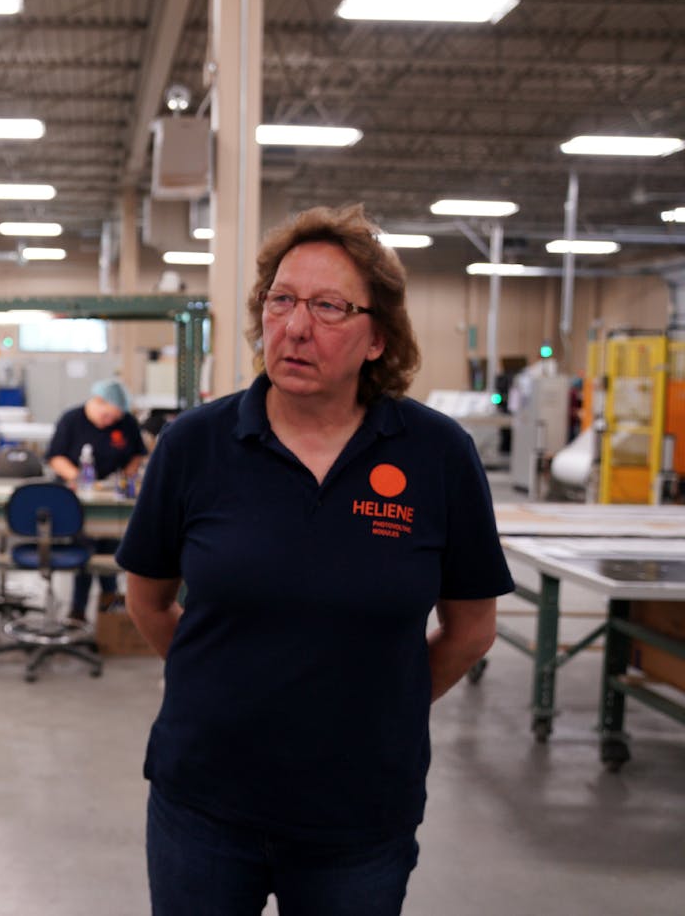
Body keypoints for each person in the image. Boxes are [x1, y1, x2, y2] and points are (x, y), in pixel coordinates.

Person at [116, 204, 511, 916]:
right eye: (282, 301)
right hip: (205, 803)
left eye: (329, 307)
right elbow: (146, 601)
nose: (296, 328)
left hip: (359, 816)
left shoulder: (437, 455)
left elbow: (471, 630)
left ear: (377, 339)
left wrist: (376, 707)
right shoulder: (194, 446)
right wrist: (221, 686)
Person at [45, 378, 147, 620]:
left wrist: (125, 475)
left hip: (112, 497)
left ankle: (108, 612)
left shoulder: (127, 423)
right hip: (75, 496)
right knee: (85, 546)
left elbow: (137, 454)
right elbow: (55, 456)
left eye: (115, 419)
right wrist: (78, 478)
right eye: (107, 417)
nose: (110, 422)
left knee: (111, 547)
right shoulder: (71, 420)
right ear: (97, 402)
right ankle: (78, 608)